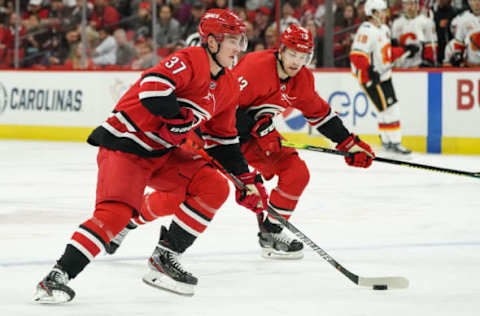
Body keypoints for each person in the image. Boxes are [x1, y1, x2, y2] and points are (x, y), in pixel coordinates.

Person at [34, 9, 267, 303]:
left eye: (241, 40)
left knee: (213, 185)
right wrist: (176, 116)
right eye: (232, 40)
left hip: (162, 153)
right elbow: (153, 88)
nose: (239, 48)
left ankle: (165, 258)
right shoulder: (189, 59)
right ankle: (56, 277)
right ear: (211, 42)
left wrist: (245, 180)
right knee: (115, 214)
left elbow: (224, 141)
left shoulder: (228, 86)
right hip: (126, 145)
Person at [106, 24, 376, 261]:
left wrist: (349, 144)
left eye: (303, 56)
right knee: (182, 196)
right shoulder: (256, 67)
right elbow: (222, 110)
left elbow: (320, 113)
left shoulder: (303, 79)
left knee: (297, 173)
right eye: (292, 54)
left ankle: (271, 232)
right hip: (217, 139)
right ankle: (129, 221)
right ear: (281, 50)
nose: (296, 61)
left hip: (257, 140)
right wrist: (251, 128)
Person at [350, 0, 416, 156]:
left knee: (385, 110)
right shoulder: (365, 30)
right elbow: (356, 56)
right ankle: (394, 142)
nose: (386, 14)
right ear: (373, 12)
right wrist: (369, 70)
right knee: (391, 109)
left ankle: (388, 142)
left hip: (384, 75)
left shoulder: (384, 29)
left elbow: (387, 53)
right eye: (382, 11)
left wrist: (405, 50)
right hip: (371, 77)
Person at [391, 0, 438, 68]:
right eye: (406, 4)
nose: (409, 7)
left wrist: (428, 63)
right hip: (401, 66)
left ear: (417, 4)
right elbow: (394, 47)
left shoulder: (426, 22)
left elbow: (431, 47)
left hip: (418, 66)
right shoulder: (396, 23)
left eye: (412, 4)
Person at [451, 0, 480, 67]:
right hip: (471, 66)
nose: (477, 3)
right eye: (473, 1)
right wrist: (457, 56)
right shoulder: (463, 19)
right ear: (469, 2)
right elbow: (459, 45)